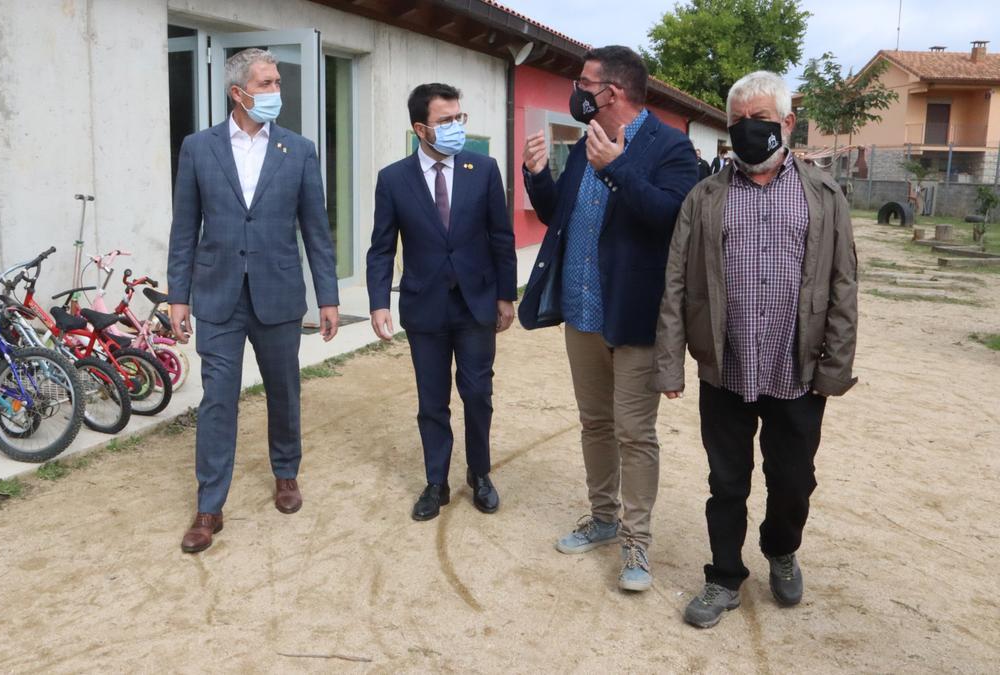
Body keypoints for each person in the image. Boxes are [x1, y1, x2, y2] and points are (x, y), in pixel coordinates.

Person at [653, 71, 858, 628]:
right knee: (727, 482)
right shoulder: (704, 197)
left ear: (788, 123)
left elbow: (843, 284)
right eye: (737, 122)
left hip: (798, 371)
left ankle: (781, 548)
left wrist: (834, 367)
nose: (748, 131)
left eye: (760, 120)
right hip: (726, 368)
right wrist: (671, 362)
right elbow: (675, 282)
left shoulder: (824, 195)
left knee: (793, 481)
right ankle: (722, 577)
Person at [519, 46, 697, 591]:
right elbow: (561, 215)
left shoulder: (672, 147)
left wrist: (615, 169)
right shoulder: (586, 141)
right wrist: (538, 178)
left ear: (612, 91)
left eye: (583, 83)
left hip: (635, 319)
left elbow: (672, 218)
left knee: (634, 432)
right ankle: (601, 518)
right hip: (582, 314)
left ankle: (636, 544)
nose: (578, 91)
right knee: (595, 423)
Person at [166, 48, 340, 554]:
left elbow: (316, 229)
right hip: (217, 294)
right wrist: (179, 294)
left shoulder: (299, 150)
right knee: (218, 399)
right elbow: (184, 228)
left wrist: (327, 296)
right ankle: (209, 507)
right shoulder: (199, 148)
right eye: (266, 84)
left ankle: (286, 473)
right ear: (237, 93)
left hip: (279, 293)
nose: (275, 92)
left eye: (277, 82)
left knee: (284, 389)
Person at [366, 83, 517, 521]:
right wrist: (379, 302)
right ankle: (436, 482)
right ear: (420, 128)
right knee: (432, 400)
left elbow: (501, 238)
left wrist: (505, 296)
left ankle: (481, 474)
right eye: (445, 121)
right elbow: (381, 247)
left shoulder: (483, 169)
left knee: (478, 393)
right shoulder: (393, 179)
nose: (456, 127)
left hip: (476, 304)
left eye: (459, 118)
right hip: (424, 305)